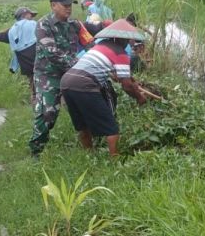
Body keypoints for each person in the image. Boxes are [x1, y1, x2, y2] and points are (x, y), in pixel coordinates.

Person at [60, 19, 149, 157]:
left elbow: (118, 75)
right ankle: (114, 159)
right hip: (85, 83)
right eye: (130, 39)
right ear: (124, 39)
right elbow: (126, 86)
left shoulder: (101, 45)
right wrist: (139, 97)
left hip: (66, 81)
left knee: (82, 125)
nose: (131, 42)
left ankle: (89, 154)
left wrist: (133, 82)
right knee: (111, 126)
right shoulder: (121, 53)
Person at [28, 0, 92, 157]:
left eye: (70, 5)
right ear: (53, 5)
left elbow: (89, 43)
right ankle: (37, 150)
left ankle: (90, 146)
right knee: (48, 113)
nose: (68, 8)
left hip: (71, 74)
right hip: (48, 75)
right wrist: (79, 65)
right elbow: (52, 53)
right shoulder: (43, 25)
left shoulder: (76, 24)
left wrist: (96, 59)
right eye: (65, 5)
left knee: (83, 107)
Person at [0, 6, 38, 102]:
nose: (32, 18)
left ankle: (36, 107)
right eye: (31, 15)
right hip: (40, 60)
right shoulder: (34, 24)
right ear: (25, 15)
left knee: (33, 87)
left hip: (26, 64)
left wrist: (14, 26)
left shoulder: (12, 31)